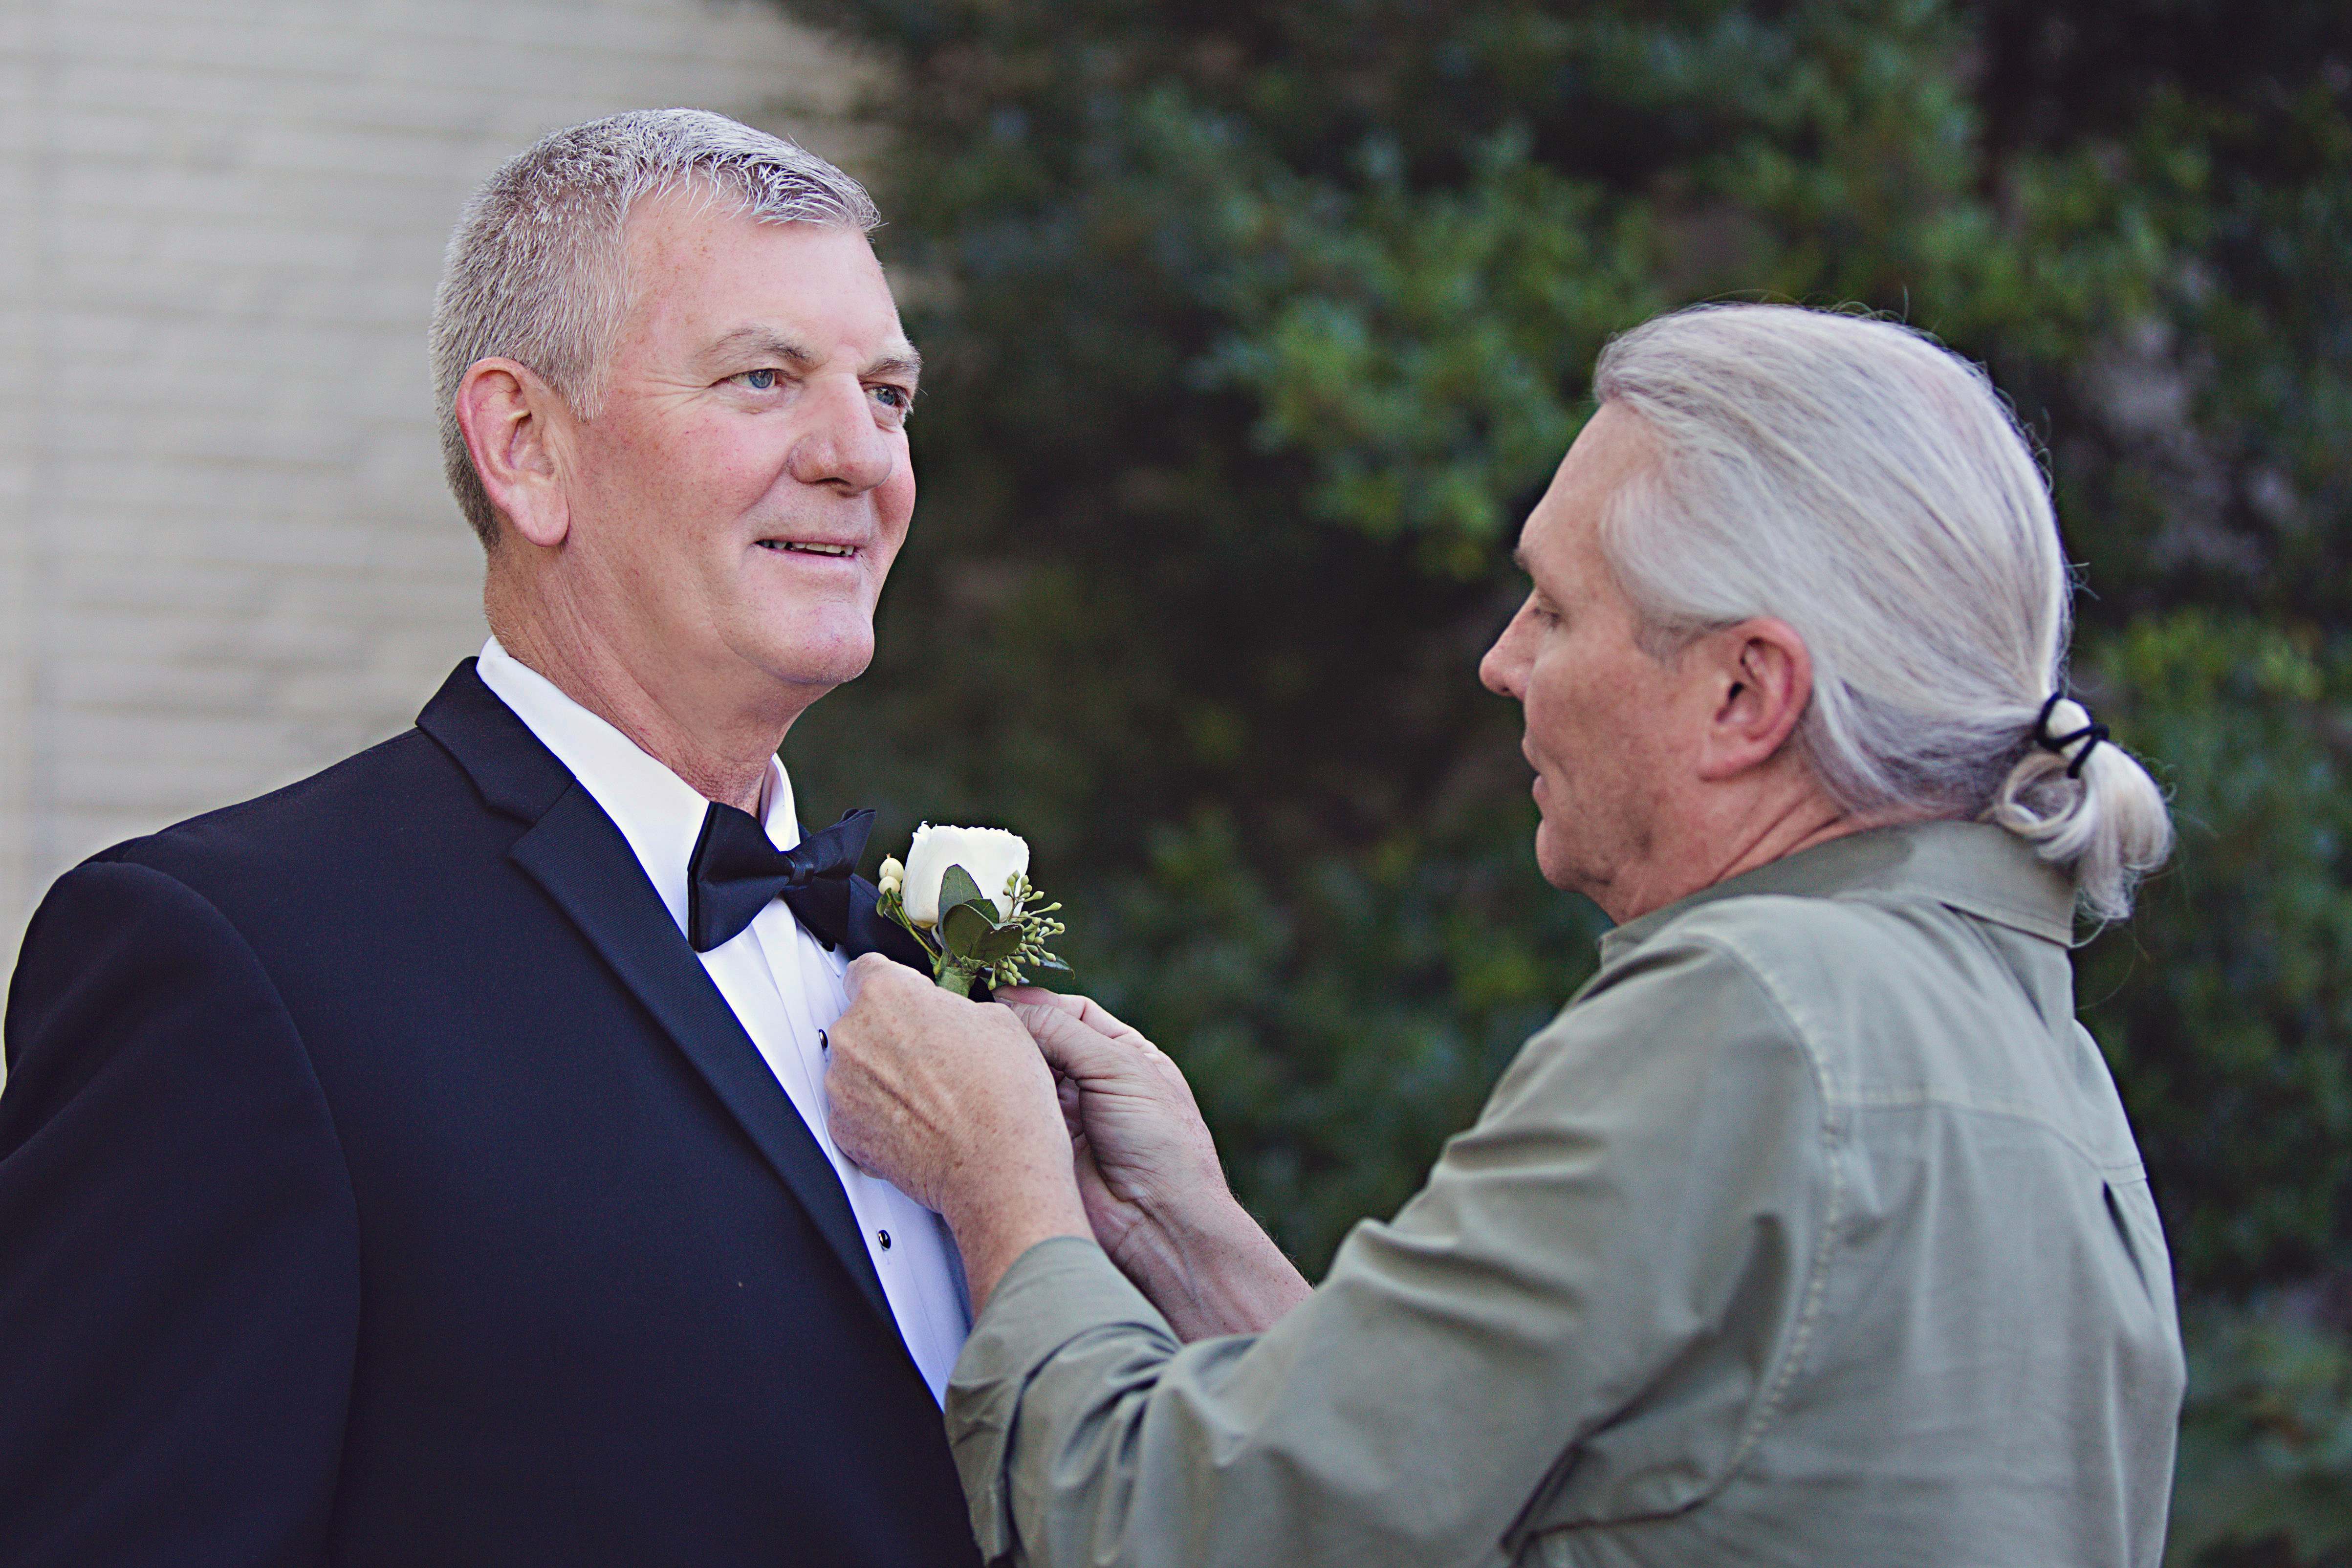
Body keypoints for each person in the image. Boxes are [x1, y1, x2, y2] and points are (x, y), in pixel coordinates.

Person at [824, 303, 2187, 1567]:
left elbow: (1159, 1530)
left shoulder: (1756, 1013)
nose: (1503, 661)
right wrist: (1183, 1238)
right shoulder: (2033, 1058)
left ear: (1743, 694)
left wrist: (1003, 1181)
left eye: (1556, 607)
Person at [0, 110, 980, 1565]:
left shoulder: (930, 960)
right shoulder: (235, 961)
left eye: (888, 395)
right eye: (764, 379)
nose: (860, 458)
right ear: (525, 448)